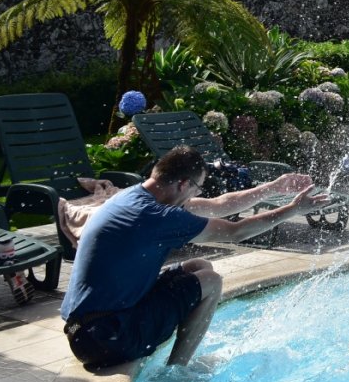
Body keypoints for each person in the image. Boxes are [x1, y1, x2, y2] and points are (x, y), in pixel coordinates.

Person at [61, 145, 328, 368]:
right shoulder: (157, 216)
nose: (198, 194)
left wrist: (272, 187)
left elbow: (219, 205)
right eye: (198, 187)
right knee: (210, 281)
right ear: (183, 184)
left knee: (198, 266)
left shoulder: (135, 197)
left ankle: (173, 353)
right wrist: (293, 209)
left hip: (85, 331)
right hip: (106, 339)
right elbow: (236, 232)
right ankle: (177, 371)